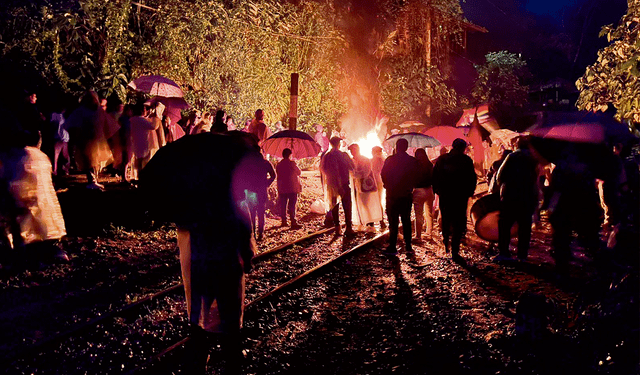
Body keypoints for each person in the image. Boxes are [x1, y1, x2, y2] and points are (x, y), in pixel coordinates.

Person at [547, 151, 602, 273]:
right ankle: (598, 266)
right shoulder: (587, 167)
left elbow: (556, 188)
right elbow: (590, 188)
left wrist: (551, 207)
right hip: (582, 206)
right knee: (587, 237)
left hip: (564, 206)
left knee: (562, 237)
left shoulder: (561, 167)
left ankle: (562, 267)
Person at [494, 137, 539, 262]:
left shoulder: (512, 157)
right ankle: (522, 255)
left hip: (511, 196)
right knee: (525, 227)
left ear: (517, 145)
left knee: (505, 225)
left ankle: (504, 253)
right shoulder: (534, 159)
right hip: (527, 197)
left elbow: (500, 176)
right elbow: (536, 178)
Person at [432, 138, 477, 260]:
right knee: (458, 222)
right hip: (460, 196)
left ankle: (446, 242)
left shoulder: (442, 159)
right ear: (463, 148)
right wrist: (469, 192)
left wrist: (437, 190)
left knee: (446, 219)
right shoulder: (466, 160)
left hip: (445, 195)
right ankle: (455, 250)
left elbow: (435, 176)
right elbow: (472, 178)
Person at [64, 91, 116, 190]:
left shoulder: (99, 111)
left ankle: (94, 179)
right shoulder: (81, 111)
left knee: (96, 161)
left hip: (98, 140)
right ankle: (91, 180)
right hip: (86, 140)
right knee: (89, 160)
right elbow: (72, 124)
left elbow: (107, 123)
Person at [381, 138, 420, 254]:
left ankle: (392, 246)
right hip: (406, 194)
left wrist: (386, 185)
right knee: (406, 220)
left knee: (393, 222)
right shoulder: (412, 161)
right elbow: (417, 175)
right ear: (406, 148)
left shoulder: (390, 160)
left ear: (397, 147)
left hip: (392, 195)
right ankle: (408, 246)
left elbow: (383, 174)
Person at [320, 136, 355, 236]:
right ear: (339, 144)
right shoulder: (343, 155)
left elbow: (323, 170)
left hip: (331, 184)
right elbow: (352, 166)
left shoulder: (326, 156)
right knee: (347, 204)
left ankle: (337, 227)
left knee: (334, 205)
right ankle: (349, 227)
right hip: (344, 183)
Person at [347, 143, 383, 229]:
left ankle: (375, 221)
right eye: (351, 151)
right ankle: (366, 220)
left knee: (370, 202)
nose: (352, 152)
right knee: (362, 203)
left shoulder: (365, 159)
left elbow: (366, 172)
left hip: (367, 185)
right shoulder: (352, 161)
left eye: (353, 150)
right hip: (357, 185)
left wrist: (356, 174)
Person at [246, 146, 276, 241]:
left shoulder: (248, 164)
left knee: (252, 213)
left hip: (251, 191)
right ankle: (261, 233)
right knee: (261, 212)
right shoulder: (265, 163)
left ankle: (253, 233)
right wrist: (267, 183)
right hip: (262, 190)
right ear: (261, 152)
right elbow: (273, 175)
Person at [128, 103, 161, 181]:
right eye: (145, 109)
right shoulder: (141, 120)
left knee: (137, 160)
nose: (146, 111)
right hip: (143, 142)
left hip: (135, 142)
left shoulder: (132, 119)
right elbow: (153, 126)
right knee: (143, 161)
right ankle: (141, 178)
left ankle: (138, 177)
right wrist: (156, 117)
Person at [276, 148, 302, 229]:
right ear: (290, 155)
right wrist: (293, 163)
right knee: (292, 205)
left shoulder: (279, 165)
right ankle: (293, 221)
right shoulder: (292, 164)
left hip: (282, 188)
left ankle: (284, 221)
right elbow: (299, 173)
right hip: (292, 187)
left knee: (283, 205)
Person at [413, 148, 435, 242]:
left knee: (418, 214)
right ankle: (429, 233)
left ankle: (418, 235)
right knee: (429, 213)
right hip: (429, 190)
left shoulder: (414, 165)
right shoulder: (429, 164)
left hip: (418, 191)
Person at [50, 105, 70, 176]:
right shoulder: (54, 115)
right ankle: (54, 171)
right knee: (56, 156)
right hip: (58, 138)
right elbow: (51, 125)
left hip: (64, 138)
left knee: (65, 155)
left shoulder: (66, 116)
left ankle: (65, 169)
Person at [370, 146, 386, 229]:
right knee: (379, 200)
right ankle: (381, 220)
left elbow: (372, 170)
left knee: (373, 201)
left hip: (374, 182)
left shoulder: (374, 160)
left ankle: (374, 220)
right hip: (380, 182)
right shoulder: (383, 159)